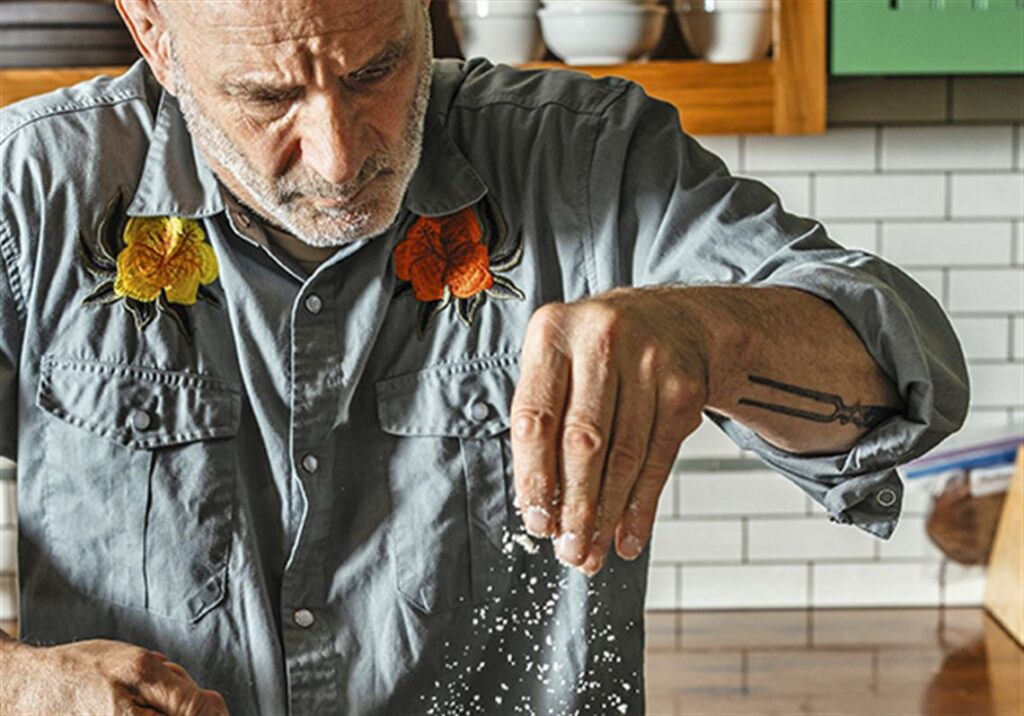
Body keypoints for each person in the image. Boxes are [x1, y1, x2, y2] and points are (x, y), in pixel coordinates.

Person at [0, 1, 969, 714]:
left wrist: (715, 332)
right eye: (268, 95)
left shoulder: (590, 156)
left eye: (378, 71)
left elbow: (904, 371)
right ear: (153, 32)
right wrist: (20, 680)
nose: (340, 156)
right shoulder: (32, 191)